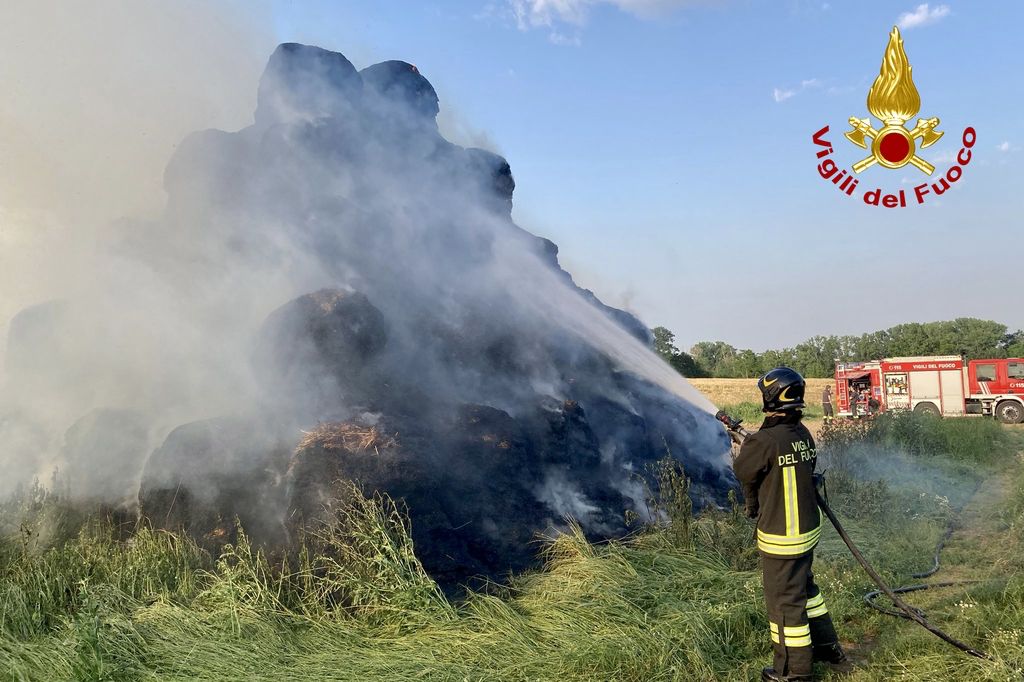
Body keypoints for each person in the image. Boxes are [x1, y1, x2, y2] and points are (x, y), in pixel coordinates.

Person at [733, 367, 852, 681]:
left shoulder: (763, 441)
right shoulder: (802, 434)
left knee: (784, 603)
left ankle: (793, 671)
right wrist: (755, 438)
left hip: (782, 536)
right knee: (806, 591)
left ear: (771, 398)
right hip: (807, 531)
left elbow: (745, 472)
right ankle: (828, 647)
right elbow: (783, 457)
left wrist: (746, 444)